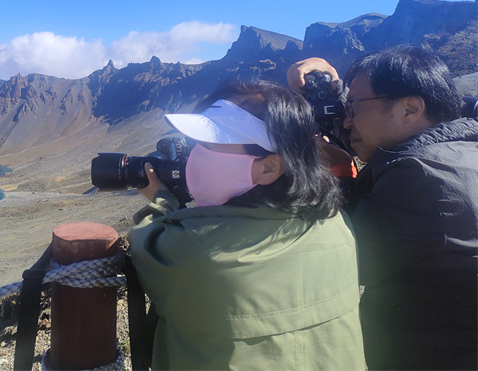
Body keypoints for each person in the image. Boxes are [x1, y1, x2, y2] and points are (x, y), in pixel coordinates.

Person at [128, 80, 365, 370]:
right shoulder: (336, 224)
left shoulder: (195, 249)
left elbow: (146, 240)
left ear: (269, 167)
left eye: (209, 144)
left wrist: (161, 200)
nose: (195, 154)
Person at [288, 46, 478, 370]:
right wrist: (331, 88)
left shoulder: (419, 177)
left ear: (410, 108)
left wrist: (338, 174)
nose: (346, 121)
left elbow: (336, 261)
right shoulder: (459, 154)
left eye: (353, 106)